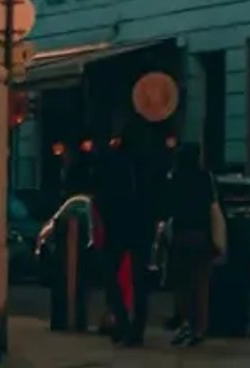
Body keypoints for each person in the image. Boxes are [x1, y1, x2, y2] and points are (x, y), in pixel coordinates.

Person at [92, 132, 155, 348]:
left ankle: (121, 322)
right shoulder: (145, 165)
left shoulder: (113, 163)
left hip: (118, 226)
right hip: (139, 227)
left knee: (110, 275)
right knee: (140, 281)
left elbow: (102, 195)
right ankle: (136, 328)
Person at [162, 143, 222, 350]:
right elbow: (211, 205)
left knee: (182, 284)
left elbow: (168, 206)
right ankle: (200, 328)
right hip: (201, 236)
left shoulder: (175, 178)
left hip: (181, 234)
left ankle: (186, 323)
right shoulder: (205, 178)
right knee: (201, 284)